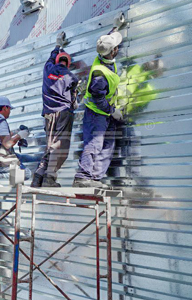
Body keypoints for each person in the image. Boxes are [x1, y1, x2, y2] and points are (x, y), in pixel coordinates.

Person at [72, 28, 124, 188]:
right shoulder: (99, 75)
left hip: (105, 115)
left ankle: (94, 178)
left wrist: (115, 29)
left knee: (107, 145)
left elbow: (104, 43)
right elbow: (98, 98)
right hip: (97, 113)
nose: (118, 48)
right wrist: (112, 111)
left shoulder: (102, 58)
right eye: (116, 47)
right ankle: (82, 177)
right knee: (94, 144)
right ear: (113, 51)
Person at [31, 31, 79, 188]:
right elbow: (75, 101)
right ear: (68, 63)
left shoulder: (47, 68)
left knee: (50, 145)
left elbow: (51, 57)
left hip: (48, 114)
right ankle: (49, 178)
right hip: (63, 113)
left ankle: (38, 177)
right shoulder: (70, 76)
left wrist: (58, 44)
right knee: (59, 146)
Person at [0, 96, 31, 186]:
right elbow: (7, 144)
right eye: (9, 109)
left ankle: (16, 189)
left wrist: (17, 131)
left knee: (18, 161)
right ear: (4, 108)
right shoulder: (2, 122)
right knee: (26, 173)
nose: (10, 111)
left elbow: (1, 137)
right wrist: (20, 136)